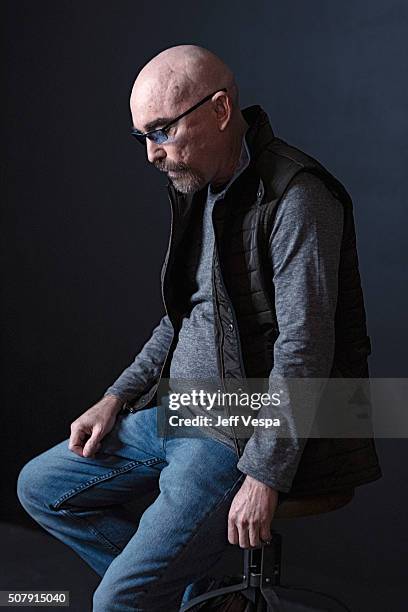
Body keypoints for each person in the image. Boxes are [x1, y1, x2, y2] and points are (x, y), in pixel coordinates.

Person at [17, 44, 382, 611]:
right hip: (175, 412)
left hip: (234, 429)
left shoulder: (298, 197)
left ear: (218, 110)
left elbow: (305, 347)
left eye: (161, 131)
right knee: (40, 487)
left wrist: (264, 473)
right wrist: (117, 396)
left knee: (116, 603)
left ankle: (163, 595)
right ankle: (200, 597)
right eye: (143, 137)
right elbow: (181, 316)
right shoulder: (199, 188)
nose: (152, 155)